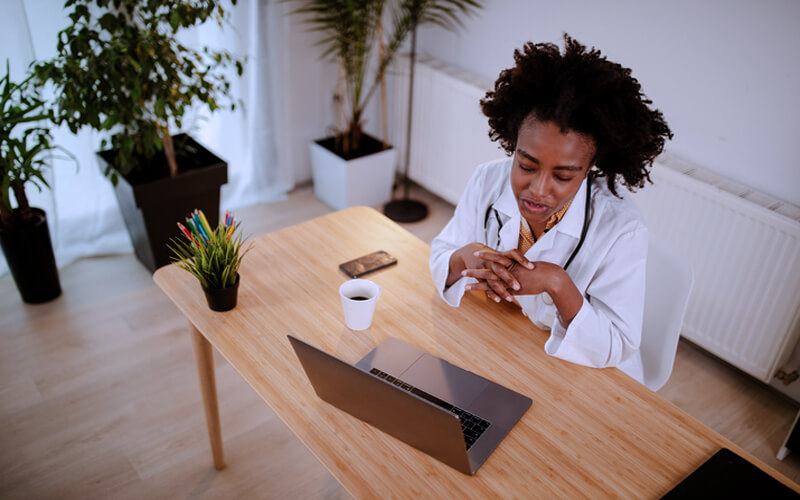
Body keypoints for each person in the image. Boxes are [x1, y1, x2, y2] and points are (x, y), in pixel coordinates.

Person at [429, 34, 673, 383]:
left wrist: (557, 283)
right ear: (513, 144)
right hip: (513, 347)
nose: (539, 189)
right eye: (526, 166)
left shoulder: (621, 228)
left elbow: (617, 344)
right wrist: (463, 259)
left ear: (590, 168)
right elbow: (442, 254)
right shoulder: (487, 179)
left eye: (563, 176)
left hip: (590, 375)